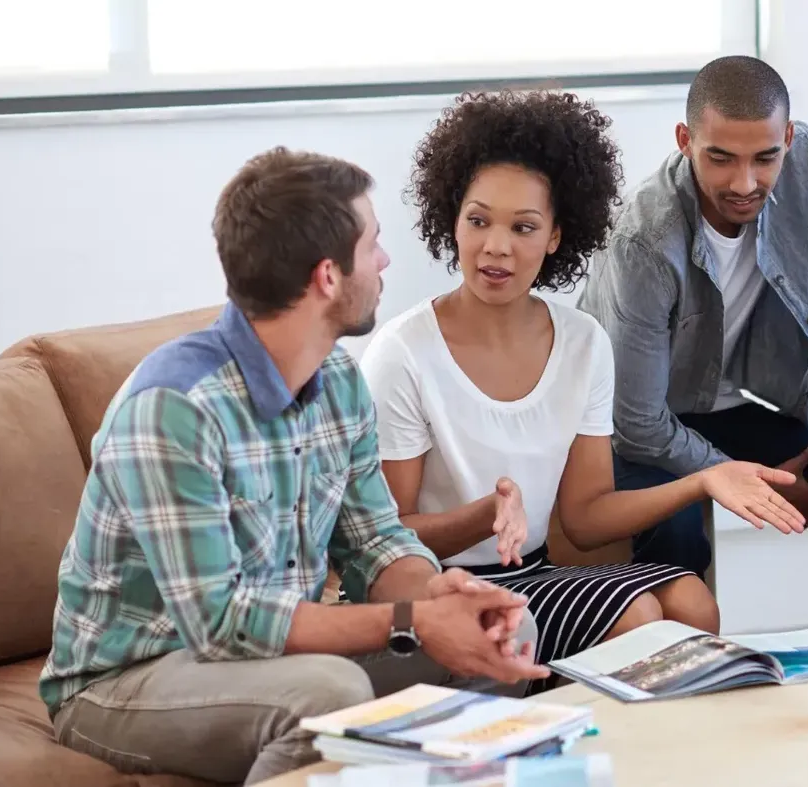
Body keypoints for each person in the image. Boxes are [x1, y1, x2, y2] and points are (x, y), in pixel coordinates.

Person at [38, 147, 549, 785]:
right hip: (126, 681)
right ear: (328, 276)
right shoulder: (174, 409)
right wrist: (412, 620)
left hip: (268, 658)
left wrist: (438, 593)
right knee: (327, 692)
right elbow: (221, 623)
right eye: (373, 245)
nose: (386, 262)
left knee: (504, 630)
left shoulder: (337, 380)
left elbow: (376, 541)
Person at [359, 90, 804, 687]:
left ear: (554, 237)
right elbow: (388, 535)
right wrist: (487, 514)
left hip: (538, 576)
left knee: (692, 602)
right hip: (443, 585)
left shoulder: (582, 341)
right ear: (452, 219)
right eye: (478, 220)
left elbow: (587, 518)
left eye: (523, 227)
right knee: (637, 614)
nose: (496, 246)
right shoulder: (404, 351)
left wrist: (702, 480)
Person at [576, 56, 808, 577]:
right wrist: (744, 478)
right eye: (720, 158)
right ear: (684, 139)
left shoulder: (806, 164)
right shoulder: (642, 241)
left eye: (765, 157)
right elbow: (639, 425)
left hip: (719, 407)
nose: (744, 182)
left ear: (787, 137)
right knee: (677, 542)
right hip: (628, 426)